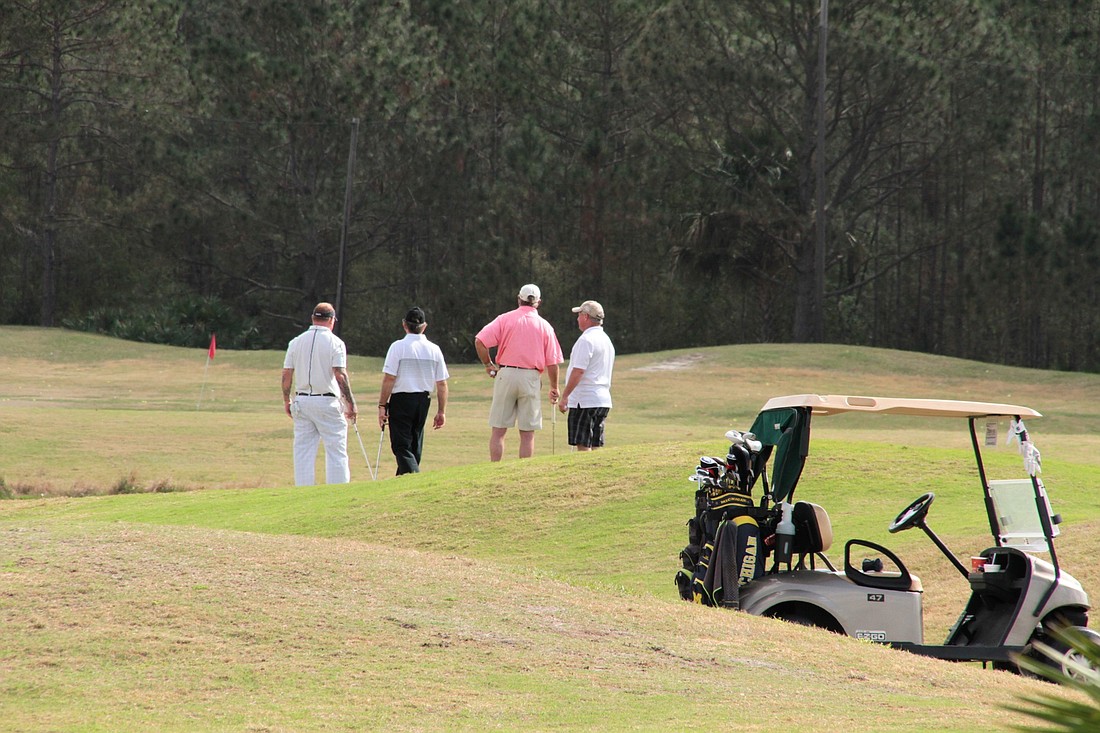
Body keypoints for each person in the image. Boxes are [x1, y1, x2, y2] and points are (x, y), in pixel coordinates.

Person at [474, 284, 563, 461]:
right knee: (527, 432)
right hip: (530, 377)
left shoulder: (504, 319)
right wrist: (554, 387)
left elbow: (480, 341)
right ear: (538, 302)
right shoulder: (545, 326)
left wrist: (488, 364)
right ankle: (523, 474)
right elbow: (552, 363)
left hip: (505, 374)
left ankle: (495, 469)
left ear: (518, 299)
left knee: (499, 430)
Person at [281, 302, 357, 486]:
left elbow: (286, 374)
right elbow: (340, 375)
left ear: (313, 318)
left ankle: (304, 492)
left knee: (303, 451)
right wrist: (351, 403)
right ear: (331, 320)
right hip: (327, 401)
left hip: (302, 400)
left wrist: (287, 400)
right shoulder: (336, 343)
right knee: (336, 450)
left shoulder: (296, 342)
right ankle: (337, 492)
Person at [377, 307, 449, 475]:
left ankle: (415, 478)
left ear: (404, 325)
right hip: (423, 400)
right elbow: (442, 383)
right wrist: (441, 411)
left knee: (401, 446)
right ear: (424, 326)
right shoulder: (434, 349)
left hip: (401, 399)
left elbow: (389, 378)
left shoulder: (398, 347)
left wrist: (382, 405)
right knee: (414, 445)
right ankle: (403, 484)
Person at [558, 300, 615, 451]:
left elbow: (579, 371)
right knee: (596, 444)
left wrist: (565, 397)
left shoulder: (586, 340)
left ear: (585, 317)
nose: (577, 319)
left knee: (583, 444)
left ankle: (585, 475)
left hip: (584, 400)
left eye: (579, 315)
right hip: (602, 399)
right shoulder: (606, 340)